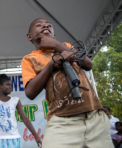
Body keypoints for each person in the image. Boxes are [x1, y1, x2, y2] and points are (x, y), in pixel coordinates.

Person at [21, 18, 113, 147]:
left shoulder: (67, 46)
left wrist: (56, 45)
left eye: (49, 25)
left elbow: (88, 64)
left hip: (94, 117)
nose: (45, 26)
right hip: (62, 120)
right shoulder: (29, 59)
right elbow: (30, 92)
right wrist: (52, 64)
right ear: (29, 36)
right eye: (39, 25)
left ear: (54, 34)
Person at [0, 74, 42, 148]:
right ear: (0, 86)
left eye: (11, 85)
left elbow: (25, 119)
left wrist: (36, 136)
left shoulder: (16, 100)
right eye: (7, 85)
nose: (10, 87)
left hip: (13, 139)